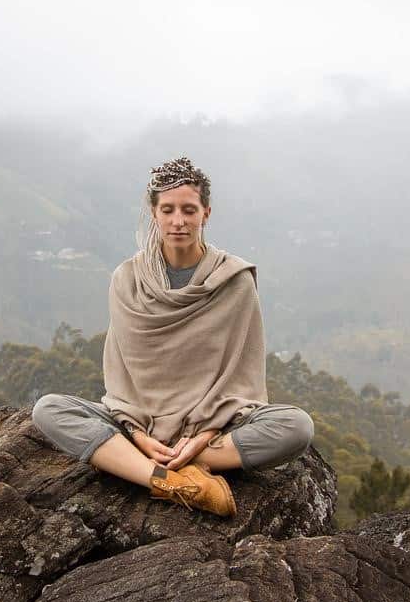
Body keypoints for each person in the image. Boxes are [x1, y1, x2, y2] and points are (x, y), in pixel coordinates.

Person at [31, 155, 314, 517]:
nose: (178, 221)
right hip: (141, 421)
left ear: (205, 214)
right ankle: (172, 480)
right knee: (49, 409)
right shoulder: (128, 279)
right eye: (168, 210)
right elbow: (123, 374)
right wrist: (138, 434)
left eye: (188, 210)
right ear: (154, 214)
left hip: (212, 426)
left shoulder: (233, 280)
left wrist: (201, 437)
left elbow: (240, 376)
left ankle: (143, 466)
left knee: (296, 427)